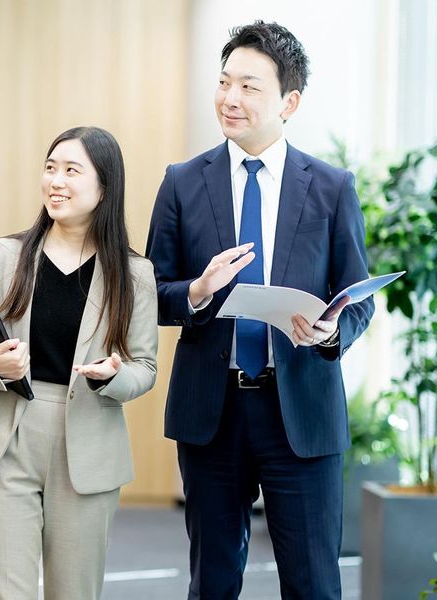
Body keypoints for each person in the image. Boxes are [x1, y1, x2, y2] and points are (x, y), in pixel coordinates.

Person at [146, 21, 374, 600]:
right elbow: (152, 292)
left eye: (249, 86)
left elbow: (358, 297)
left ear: (289, 102)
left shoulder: (331, 187)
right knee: (213, 582)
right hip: (212, 409)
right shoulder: (181, 183)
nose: (230, 98)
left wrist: (330, 333)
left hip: (302, 408)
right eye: (225, 82)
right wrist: (197, 292)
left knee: (313, 584)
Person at [0, 126, 158, 599]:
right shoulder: (6, 255)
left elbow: (145, 366)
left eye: (71, 171)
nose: (55, 181)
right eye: (50, 168)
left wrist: (114, 376)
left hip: (87, 443)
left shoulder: (135, 274)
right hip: (6, 438)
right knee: (3, 591)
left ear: (105, 188)